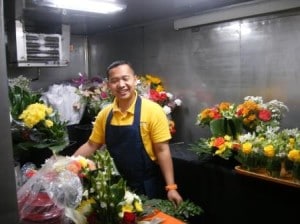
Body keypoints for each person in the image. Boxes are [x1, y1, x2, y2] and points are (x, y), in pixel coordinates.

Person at [73, 60, 183, 205]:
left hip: (147, 186)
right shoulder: (105, 114)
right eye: (115, 80)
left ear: (135, 79)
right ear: (108, 85)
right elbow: (91, 144)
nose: (121, 85)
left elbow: (162, 150)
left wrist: (171, 187)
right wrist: (67, 164)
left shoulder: (153, 110)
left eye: (126, 78)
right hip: (117, 186)